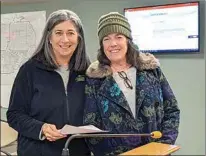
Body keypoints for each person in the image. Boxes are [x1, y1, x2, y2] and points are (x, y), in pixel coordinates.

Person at [83, 12, 180, 156]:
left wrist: (162, 146)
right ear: (101, 44)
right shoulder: (95, 79)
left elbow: (171, 109)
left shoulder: (151, 70)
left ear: (128, 40)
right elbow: (91, 126)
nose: (113, 43)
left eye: (118, 37)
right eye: (106, 39)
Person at [7, 9, 91, 156]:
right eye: (58, 33)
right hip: (37, 151)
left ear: (79, 38)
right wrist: (41, 128)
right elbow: (14, 114)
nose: (65, 40)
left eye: (70, 33)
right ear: (49, 38)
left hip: (78, 150)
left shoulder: (88, 71)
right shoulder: (29, 70)